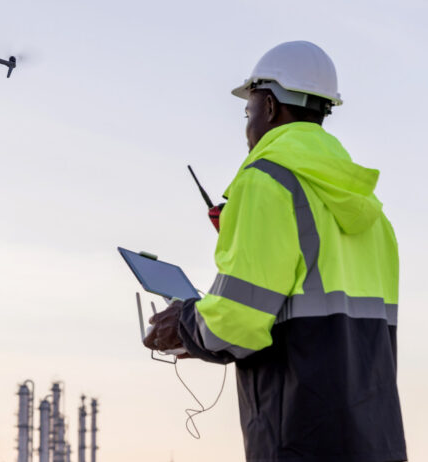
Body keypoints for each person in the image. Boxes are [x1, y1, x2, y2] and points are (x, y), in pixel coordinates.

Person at [143, 41, 407, 462]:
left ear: (268, 106)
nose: (247, 127)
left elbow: (236, 324)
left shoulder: (265, 182)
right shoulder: (372, 213)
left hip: (299, 440)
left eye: (248, 112)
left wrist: (186, 321)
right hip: (376, 441)